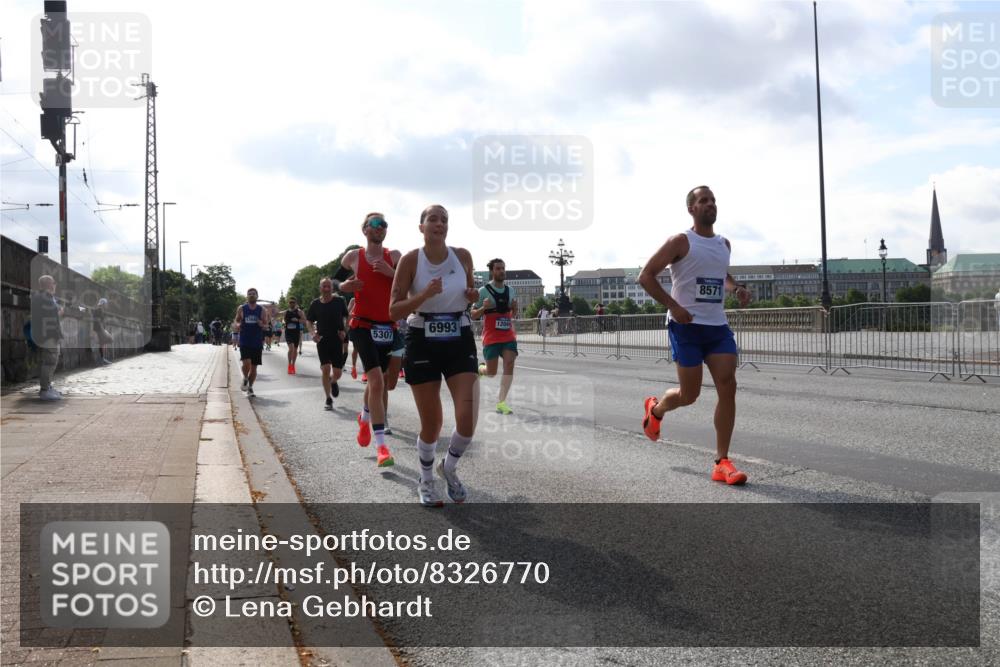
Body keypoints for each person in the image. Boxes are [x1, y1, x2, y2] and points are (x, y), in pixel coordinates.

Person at [638, 185, 752, 485]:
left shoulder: (723, 244)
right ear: (692, 208)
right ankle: (656, 409)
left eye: (713, 200)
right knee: (690, 395)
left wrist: (736, 288)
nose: (710, 204)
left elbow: (721, 275)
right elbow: (645, 275)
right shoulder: (680, 241)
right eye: (703, 200)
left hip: (716, 327)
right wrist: (673, 306)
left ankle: (721, 461)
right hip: (685, 327)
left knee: (728, 385)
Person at [389, 204, 480, 507]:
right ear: (421, 227)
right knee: (433, 424)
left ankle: (448, 468)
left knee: (467, 421)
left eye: (444, 219)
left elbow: (470, 291)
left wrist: (471, 296)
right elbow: (394, 309)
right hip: (422, 338)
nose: (439, 224)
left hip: (459, 335)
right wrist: (424, 295)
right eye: (433, 219)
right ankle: (426, 479)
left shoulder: (463, 256)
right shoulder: (411, 260)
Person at [339, 212, 403, 468]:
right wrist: (345, 287)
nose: (380, 228)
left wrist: (391, 273)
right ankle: (382, 448)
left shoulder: (395, 257)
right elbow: (339, 282)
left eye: (384, 224)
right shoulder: (353, 256)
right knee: (375, 380)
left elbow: (409, 286)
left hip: (388, 326)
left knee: (383, 382)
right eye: (375, 224)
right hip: (363, 326)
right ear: (365, 229)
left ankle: (364, 418)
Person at [471, 258, 518, 415]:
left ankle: (501, 403)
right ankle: (481, 369)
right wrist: (483, 307)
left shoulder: (511, 290)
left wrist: (515, 309)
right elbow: (473, 315)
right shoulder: (483, 291)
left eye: (503, 268)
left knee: (509, 364)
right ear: (492, 271)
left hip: (508, 336)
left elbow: (513, 315)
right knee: (491, 373)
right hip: (491, 337)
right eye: (498, 268)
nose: (501, 271)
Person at [306, 278, 348, 411]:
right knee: (325, 369)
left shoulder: (339, 301)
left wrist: (344, 330)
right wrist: (313, 334)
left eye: (329, 286)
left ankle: (333, 381)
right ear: (320, 288)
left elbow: (347, 317)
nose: (327, 288)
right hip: (322, 340)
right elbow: (309, 321)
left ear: (332, 288)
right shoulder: (315, 304)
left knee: (338, 372)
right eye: (324, 286)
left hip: (336, 339)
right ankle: (328, 399)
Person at [31, 275, 64, 400]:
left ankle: (48, 387)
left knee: (52, 361)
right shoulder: (44, 297)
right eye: (54, 283)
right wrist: (59, 312)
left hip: (48, 334)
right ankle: (45, 390)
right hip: (47, 335)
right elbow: (48, 315)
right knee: (49, 362)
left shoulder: (41, 296)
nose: (55, 285)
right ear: (49, 284)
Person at [234, 288, 269, 397]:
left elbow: (266, 325)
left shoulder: (262, 310)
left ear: (257, 296)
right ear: (247, 296)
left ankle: (250, 387)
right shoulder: (242, 308)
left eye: (253, 294)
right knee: (246, 363)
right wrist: (238, 325)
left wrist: (261, 324)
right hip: (245, 340)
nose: (251, 295)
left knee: (254, 368)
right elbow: (237, 320)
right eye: (249, 294)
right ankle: (245, 378)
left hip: (257, 341)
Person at [283, 297, 306, 374]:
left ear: (295, 303)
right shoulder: (286, 312)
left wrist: (298, 320)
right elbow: (281, 317)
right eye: (290, 302)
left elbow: (304, 321)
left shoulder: (299, 312)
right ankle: (289, 364)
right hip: (288, 332)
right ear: (288, 303)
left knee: (295, 349)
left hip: (296, 332)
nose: (291, 304)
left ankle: (293, 365)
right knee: (291, 348)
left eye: (293, 302)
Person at [92, 298, 113, 364]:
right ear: (103, 304)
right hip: (99, 329)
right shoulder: (99, 310)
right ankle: (102, 359)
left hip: (99, 329)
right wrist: (102, 330)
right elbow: (97, 320)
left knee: (103, 344)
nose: (106, 305)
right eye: (106, 304)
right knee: (103, 343)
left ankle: (102, 359)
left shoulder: (99, 310)